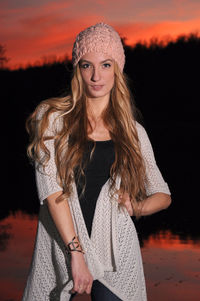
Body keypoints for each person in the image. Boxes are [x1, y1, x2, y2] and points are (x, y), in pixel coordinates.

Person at [22, 23, 171, 301]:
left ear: (117, 69)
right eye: (86, 65)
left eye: (105, 64)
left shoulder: (133, 132)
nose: (95, 76)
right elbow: (52, 192)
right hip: (62, 247)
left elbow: (163, 195)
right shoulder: (52, 118)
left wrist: (137, 206)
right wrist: (76, 253)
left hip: (116, 252)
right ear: (77, 69)